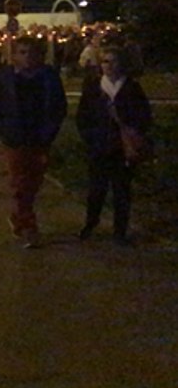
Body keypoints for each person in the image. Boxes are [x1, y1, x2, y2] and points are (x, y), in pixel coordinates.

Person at [0, 36, 67, 248]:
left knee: (33, 182)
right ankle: (29, 226)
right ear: (14, 55)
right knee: (19, 182)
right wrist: (3, 131)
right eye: (22, 52)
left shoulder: (48, 76)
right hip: (15, 138)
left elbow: (59, 106)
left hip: (40, 137)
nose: (27, 57)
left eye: (31, 52)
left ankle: (18, 216)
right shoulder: (5, 77)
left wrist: (50, 130)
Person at [75, 46, 151, 245]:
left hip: (121, 149)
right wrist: (90, 138)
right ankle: (91, 223)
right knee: (96, 190)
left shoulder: (131, 88)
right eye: (105, 61)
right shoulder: (94, 87)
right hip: (99, 146)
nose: (108, 66)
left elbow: (144, 116)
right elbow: (83, 116)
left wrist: (132, 131)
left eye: (113, 61)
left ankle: (120, 230)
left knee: (121, 191)